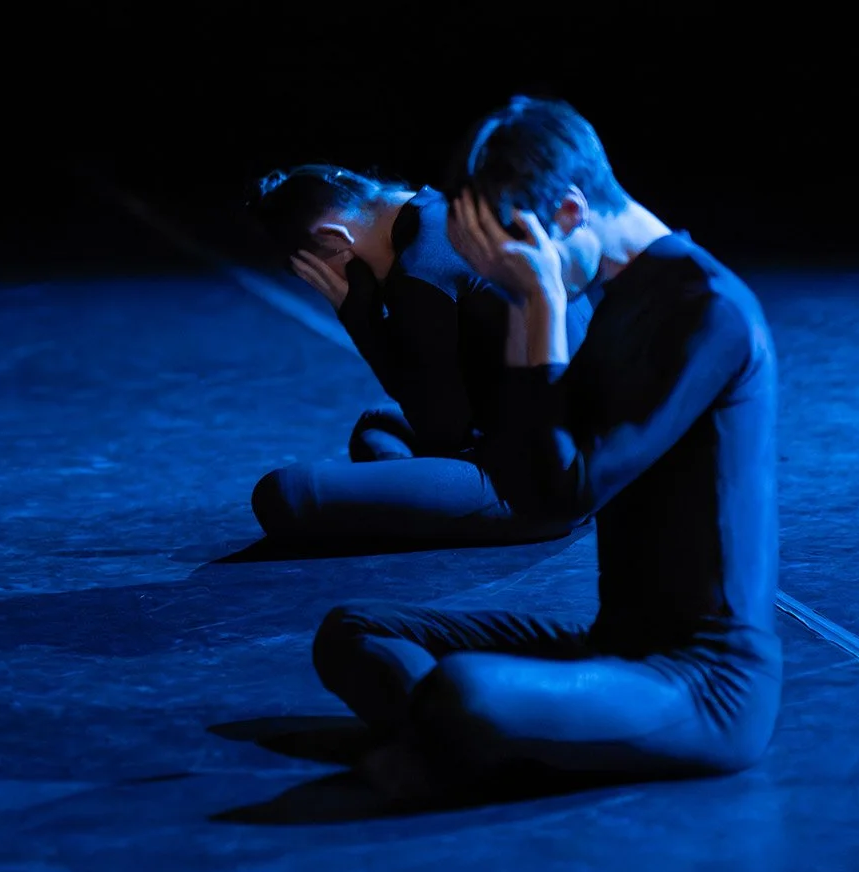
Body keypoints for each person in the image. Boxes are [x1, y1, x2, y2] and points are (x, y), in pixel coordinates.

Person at [311, 97, 780, 801]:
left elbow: (568, 492)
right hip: (613, 648)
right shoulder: (620, 293)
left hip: (704, 684)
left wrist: (539, 310)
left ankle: (474, 734)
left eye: (509, 266)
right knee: (352, 631)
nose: (505, 285)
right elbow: (527, 483)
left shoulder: (710, 310)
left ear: (565, 213)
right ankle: (484, 740)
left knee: (463, 689)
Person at [244, 163, 592, 550]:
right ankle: (419, 498)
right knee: (377, 424)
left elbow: (441, 432)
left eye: (318, 272)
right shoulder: (447, 208)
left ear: (335, 237)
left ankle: (430, 504)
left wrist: (359, 318)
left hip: (540, 487)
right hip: (591, 451)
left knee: (286, 493)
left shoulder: (419, 270)